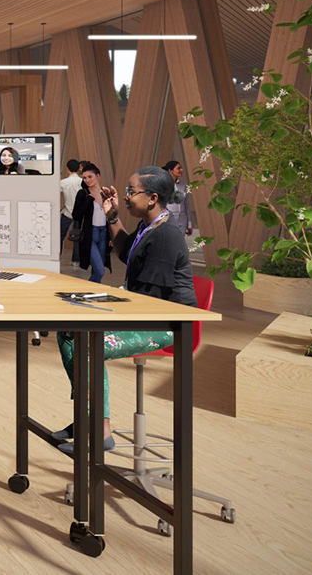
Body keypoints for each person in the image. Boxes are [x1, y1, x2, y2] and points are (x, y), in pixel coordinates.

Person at [53, 166, 195, 453]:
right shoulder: (149, 225)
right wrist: (112, 217)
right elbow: (125, 251)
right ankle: (87, 417)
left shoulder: (167, 235)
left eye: (131, 192)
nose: (126, 196)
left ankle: (99, 432)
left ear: (153, 197)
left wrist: (102, 307)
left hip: (167, 324)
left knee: (88, 343)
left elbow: (147, 297)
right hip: (145, 310)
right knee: (67, 332)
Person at [71, 161, 111, 283]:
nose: (87, 180)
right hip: (90, 234)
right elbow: (76, 215)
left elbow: (110, 216)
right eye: (85, 178)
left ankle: (93, 295)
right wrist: (88, 201)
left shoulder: (105, 193)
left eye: (90, 177)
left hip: (104, 233)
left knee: (97, 269)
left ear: (98, 176)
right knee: (100, 270)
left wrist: (112, 236)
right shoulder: (83, 193)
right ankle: (87, 289)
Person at [163, 160, 196, 237]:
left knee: (179, 246)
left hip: (182, 222)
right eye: (178, 168)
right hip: (168, 221)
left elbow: (186, 205)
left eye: (181, 168)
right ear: (170, 170)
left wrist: (189, 224)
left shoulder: (183, 186)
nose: (181, 170)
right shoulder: (163, 186)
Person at [59, 158, 83, 253]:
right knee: (77, 236)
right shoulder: (82, 182)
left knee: (60, 236)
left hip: (67, 212)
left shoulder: (63, 182)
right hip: (80, 213)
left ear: (67, 169)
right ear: (78, 169)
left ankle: (57, 256)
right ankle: (75, 260)